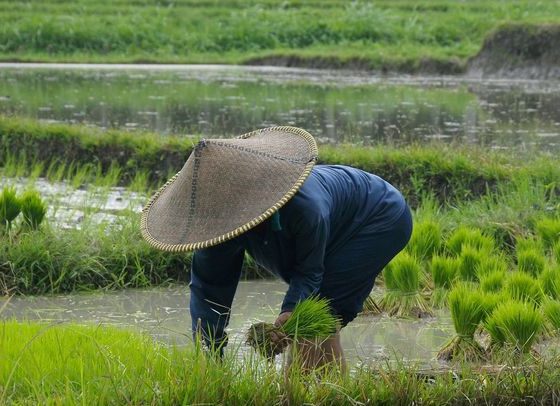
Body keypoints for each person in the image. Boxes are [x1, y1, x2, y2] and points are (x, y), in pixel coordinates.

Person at [141, 126, 412, 370]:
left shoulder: (305, 210)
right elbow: (209, 291)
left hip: (377, 217)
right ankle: (320, 397)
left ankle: (302, 402)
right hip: (337, 224)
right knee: (314, 321)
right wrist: (209, 357)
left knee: (316, 317)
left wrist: (289, 312)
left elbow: (309, 272)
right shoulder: (218, 224)